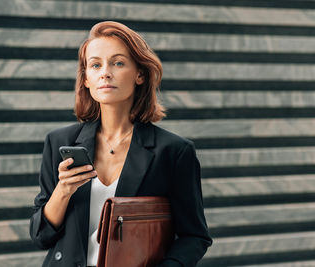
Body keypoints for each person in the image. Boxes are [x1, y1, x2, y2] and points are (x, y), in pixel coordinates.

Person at [30, 21, 212, 267]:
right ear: (86, 79)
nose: (105, 72)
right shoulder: (60, 142)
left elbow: (194, 237)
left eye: (117, 63)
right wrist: (63, 190)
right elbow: (41, 236)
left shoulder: (173, 151)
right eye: (95, 65)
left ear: (139, 74)